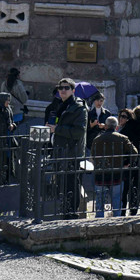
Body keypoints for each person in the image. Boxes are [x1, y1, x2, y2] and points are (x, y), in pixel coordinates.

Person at [48, 78, 88, 219]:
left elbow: (79, 132)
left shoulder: (79, 108)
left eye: (66, 88)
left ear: (73, 90)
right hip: (60, 150)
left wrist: (57, 129)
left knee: (71, 183)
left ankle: (71, 212)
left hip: (72, 152)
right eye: (60, 88)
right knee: (61, 183)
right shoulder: (61, 105)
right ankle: (64, 210)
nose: (63, 90)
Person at [91, 117, 137, 218]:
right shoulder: (122, 138)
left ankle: (98, 223)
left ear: (106, 126)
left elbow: (93, 155)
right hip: (116, 173)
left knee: (99, 201)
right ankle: (117, 222)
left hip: (101, 173)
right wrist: (127, 163)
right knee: (116, 200)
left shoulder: (97, 139)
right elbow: (134, 153)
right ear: (116, 127)